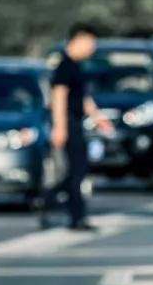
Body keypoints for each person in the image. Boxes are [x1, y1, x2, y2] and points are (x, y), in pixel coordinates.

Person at [40, 23, 113, 230]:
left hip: (75, 122)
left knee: (77, 171)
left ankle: (57, 203)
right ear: (78, 40)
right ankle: (71, 213)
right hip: (69, 123)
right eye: (90, 43)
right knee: (75, 171)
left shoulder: (76, 66)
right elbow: (59, 97)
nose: (92, 49)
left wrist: (97, 117)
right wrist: (60, 127)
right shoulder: (64, 65)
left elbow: (82, 97)